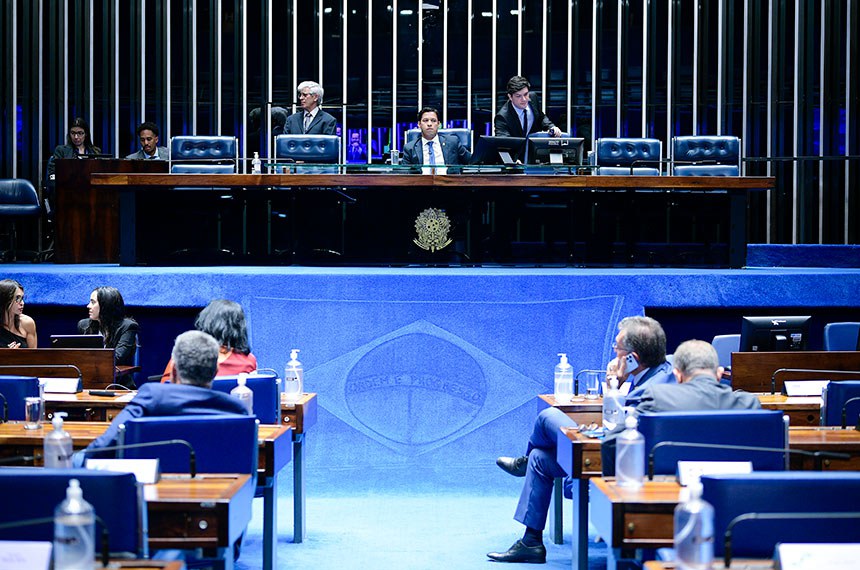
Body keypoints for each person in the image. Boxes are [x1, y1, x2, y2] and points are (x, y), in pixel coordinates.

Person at [487, 339, 759, 564]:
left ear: (678, 374)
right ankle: (531, 540)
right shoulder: (751, 404)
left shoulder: (659, 397)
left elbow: (613, 448)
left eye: (618, 349)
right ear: (720, 372)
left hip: (656, 489)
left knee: (549, 421)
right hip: (739, 499)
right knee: (540, 459)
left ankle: (535, 514)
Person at [81, 330, 249, 456]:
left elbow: (104, 446)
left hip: (152, 496)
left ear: (174, 369)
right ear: (215, 371)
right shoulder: (236, 408)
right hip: (218, 496)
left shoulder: (151, 396)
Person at [160, 299, 257, 381]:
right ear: (239, 328)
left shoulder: (184, 352)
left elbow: (165, 387)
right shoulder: (249, 361)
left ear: (206, 322)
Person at [494, 76, 561, 163]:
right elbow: (504, 143)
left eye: (526, 94)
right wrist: (513, 160)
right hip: (517, 160)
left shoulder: (533, 98)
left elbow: (541, 117)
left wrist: (551, 127)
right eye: (518, 96)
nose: (524, 99)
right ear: (510, 97)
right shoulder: (502, 117)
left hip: (536, 155)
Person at [77, 286, 139, 366]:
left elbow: (117, 358)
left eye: (93, 302)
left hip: (117, 377)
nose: (88, 306)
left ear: (105, 305)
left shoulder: (128, 327)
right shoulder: (84, 325)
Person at [400, 107, 472, 172]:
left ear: (438, 124)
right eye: (425, 120)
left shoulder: (453, 142)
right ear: (419, 124)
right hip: (421, 184)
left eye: (433, 121)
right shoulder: (409, 148)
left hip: (449, 184)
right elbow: (404, 173)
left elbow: (472, 162)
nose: (429, 124)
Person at [0, 279, 37, 348]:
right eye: (17, 298)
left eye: (22, 298)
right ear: (5, 299)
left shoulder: (27, 323)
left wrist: (18, 356)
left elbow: (34, 357)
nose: (22, 303)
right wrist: (6, 356)